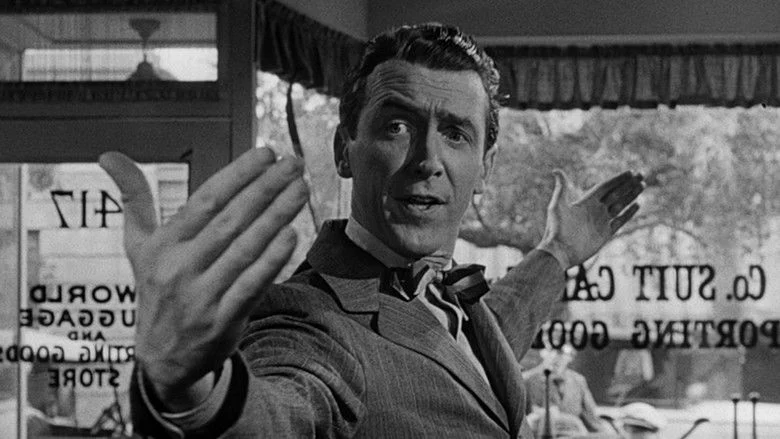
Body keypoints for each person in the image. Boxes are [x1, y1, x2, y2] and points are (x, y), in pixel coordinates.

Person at [99, 23, 644, 438]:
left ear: (485, 167)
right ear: (345, 150)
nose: (427, 159)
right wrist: (188, 387)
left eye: (455, 134)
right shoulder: (310, 321)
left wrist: (558, 251)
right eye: (397, 126)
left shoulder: (447, 301)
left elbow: (488, 333)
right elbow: (278, 408)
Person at [524, 343, 607, 433]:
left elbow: (592, 419)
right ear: (542, 353)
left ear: (570, 357)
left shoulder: (578, 380)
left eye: (561, 352)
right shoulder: (529, 381)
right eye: (551, 351)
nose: (555, 357)